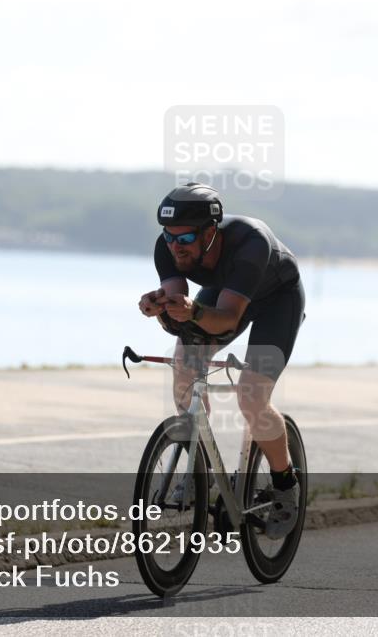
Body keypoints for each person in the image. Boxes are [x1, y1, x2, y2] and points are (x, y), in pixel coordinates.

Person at [137, 182, 306, 539]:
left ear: (210, 232)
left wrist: (195, 311)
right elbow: (179, 317)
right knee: (184, 364)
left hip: (277, 299)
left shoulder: (250, 243)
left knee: (251, 396)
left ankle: (285, 485)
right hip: (226, 290)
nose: (175, 246)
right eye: (169, 236)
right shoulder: (167, 247)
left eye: (185, 239)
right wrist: (162, 309)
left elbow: (227, 319)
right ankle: (197, 467)